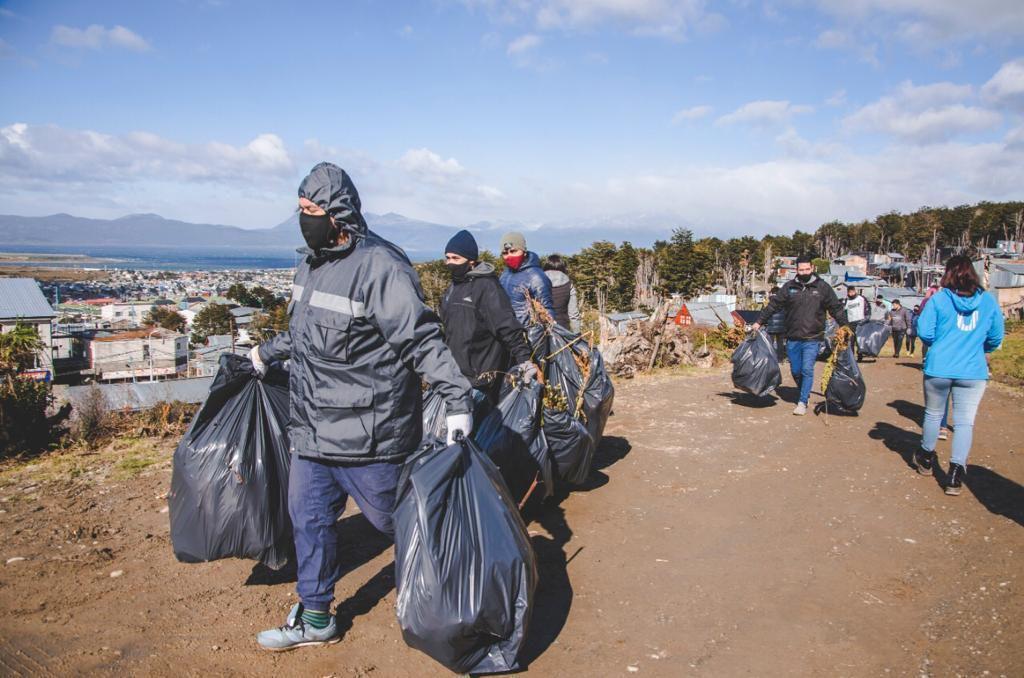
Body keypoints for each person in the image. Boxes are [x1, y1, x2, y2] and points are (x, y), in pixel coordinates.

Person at [249, 163, 474, 650]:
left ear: (338, 214)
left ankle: (463, 587)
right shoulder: (310, 264)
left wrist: (457, 397)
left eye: (311, 210)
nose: (302, 218)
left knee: (398, 522)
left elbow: (421, 339)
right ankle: (315, 618)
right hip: (311, 429)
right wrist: (265, 353)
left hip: (369, 434)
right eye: (300, 209)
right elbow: (306, 333)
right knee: (308, 521)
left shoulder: (381, 268)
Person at [913, 255, 1004, 496]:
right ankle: (955, 473)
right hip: (973, 370)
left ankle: (926, 457)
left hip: (939, 367)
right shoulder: (988, 301)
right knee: (964, 422)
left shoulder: (939, 299)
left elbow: (924, 331)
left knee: (933, 414)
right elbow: (996, 336)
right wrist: (979, 349)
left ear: (947, 273)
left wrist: (940, 344)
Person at [439, 229, 539, 404]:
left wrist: (525, 360)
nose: (450, 263)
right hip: (455, 376)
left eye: (455, 258)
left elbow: (507, 326)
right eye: (447, 258)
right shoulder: (452, 289)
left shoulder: (487, 287)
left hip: (481, 380)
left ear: (470, 261)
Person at [751, 255, 848, 416]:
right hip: (793, 337)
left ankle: (802, 401)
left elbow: (836, 308)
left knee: (806, 369)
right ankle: (805, 391)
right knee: (796, 371)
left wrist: (845, 326)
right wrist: (759, 322)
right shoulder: (789, 287)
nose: (804, 272)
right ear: (796, 270)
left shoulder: (822, 288)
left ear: (812, 269)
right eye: (801, 270)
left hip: (813, 337)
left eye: (807, 269)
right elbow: (774, 305)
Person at [498, 231, 555, 326]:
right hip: (507, 333)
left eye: (513, 251)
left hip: (528, 335)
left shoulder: (536, 277)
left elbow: (547, 312)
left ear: (524, 251)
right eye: (505, 253)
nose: (509, 256)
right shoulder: (505, 274)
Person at [542, 254, 582, 333]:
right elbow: (573, 315)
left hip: (541, 331)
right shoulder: (569, 284)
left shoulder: (537, 282)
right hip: (562, 331)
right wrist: (577, 335)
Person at [844, 286, 869, 360]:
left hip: (860, 322)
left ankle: (860, 355)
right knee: (850, 340)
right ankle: (851, 357)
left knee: (859, 340)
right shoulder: (847, 300)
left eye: (852, 292)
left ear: (855, 291)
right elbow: (844, 311)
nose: (851, 294)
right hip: (850, 322)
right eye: (849, 292)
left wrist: (866, 318)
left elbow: (867, 308)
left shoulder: (861, 299)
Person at [765, 285, 787, 362]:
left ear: (772, 292)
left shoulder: (770, 301)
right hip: (781, 326)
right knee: (780, 343)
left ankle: (770, 358)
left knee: (770, 342)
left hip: (771, 326)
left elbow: (766, 313)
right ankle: (780, 358)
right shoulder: (783, 302)